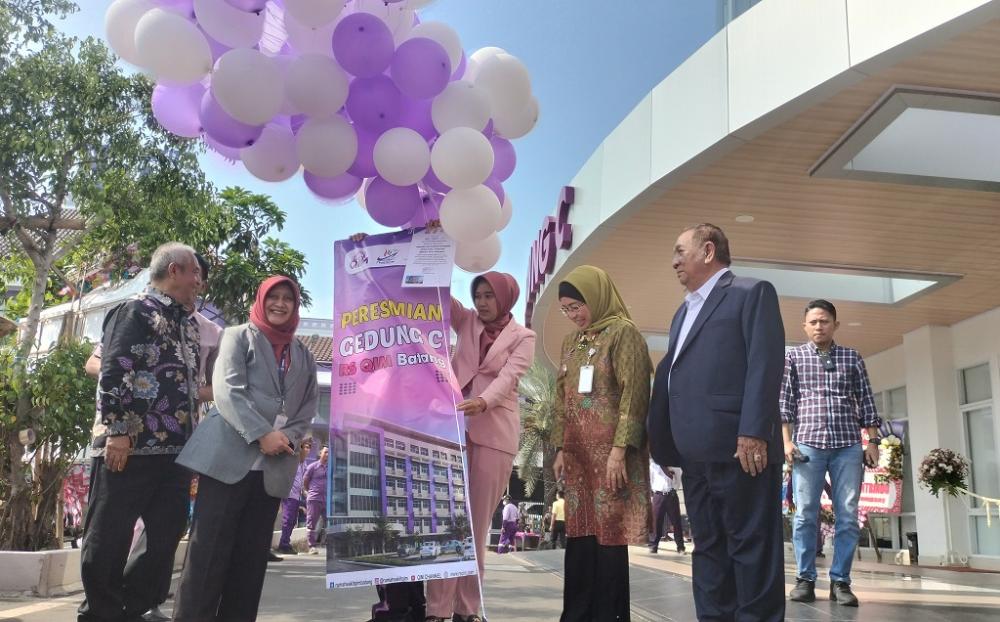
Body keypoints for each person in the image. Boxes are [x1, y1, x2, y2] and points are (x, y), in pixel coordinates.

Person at [648, 224, 786, 622]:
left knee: (751, 550)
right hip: (695, 456)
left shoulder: (750, 293)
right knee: (708, 549)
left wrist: (753, 431)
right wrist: (664, 442)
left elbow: (764, 364)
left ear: (708, 251)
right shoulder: (682, 312)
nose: (674, 261)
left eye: (680, 251)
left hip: (742, 450)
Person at [172, 275, 318, 621]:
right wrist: (262, 434)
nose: (280, 304)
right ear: (261, 300)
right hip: (227, 463)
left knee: (250, 564)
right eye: (273, 297)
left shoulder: (304, 355)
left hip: (272, 471)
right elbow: (227, 391)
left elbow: (307, 408)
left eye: (287, 299)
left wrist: (288, 437)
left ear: (295, 306)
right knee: (207, 557)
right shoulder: (237, 336)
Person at [78, 242, 203, 622]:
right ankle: (100, 613)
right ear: (175, 270)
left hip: (177, 451)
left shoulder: (189, 324)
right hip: (128, 445)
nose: (199, 282)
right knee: (109, 535)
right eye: (196, 273)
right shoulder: (135, 310)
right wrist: (117, 431)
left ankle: (132, 607)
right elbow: (114, 369)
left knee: (166, 536)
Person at [424, 270, 535, 622]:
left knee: (476, 525)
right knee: (448, 520)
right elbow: (438, 296)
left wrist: (484, 401)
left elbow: (509, 377)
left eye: (490, 296)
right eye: (478, 295)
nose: (482, 303)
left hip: (496, 436)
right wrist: (425, 248)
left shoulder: (524, 337)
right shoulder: (466, 320)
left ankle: (467, 608)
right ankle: (436, 610)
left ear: (505, 298)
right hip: (451, 429)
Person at [551, 265, 652, 622]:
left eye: (577, 306)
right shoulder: (571, 342)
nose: (573, 315)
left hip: (611, 458)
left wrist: (619, 451)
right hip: (578, 458)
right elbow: (561, 399)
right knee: (579, 537)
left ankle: (610, 616)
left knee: (609, 537)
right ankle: (577, 615)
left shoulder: (624, 334)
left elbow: (634, 394)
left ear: (596, 297)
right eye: (566, 309)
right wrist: (560, 448)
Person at [781, 299, 881, 607]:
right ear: (804, 326)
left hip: (847, 445)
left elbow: (866, 400)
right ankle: (805, 579)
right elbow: (784, 402)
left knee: (848, 515)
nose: (818, 327)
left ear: (835, 325)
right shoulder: (793, 357)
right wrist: (786, 442)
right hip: (807, 446)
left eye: (824, 321)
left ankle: (841, 582)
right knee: (805, 514)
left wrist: (873, 442)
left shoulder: (852, 357)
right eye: (813, 322)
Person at [276, 437, 314, 555]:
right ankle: (283, 545)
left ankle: (285, 543)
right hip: (288, 494)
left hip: (296, 496)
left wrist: (306, 493)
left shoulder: (304, 464)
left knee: (292, 521)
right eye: (305, 447)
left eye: (309, 447)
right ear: (300, 448)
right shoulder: (293, 460)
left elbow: (302, 483)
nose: (307, 450)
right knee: (288, 520)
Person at [648, 461, 685, 555]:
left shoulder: (676, 464)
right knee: (656, 521)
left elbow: (678, 479)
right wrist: (654, 493)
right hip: (658, 495)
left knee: (676, 522)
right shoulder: (654, 465)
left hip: (671, 495)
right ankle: (653, 546)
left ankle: (680, 547)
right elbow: (651, 479)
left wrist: (674, 489)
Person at [302, 445, 329, 555]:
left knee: (329, 523)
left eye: (329, 453)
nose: (327, 454)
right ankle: (311, 546)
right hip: (314, 498)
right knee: (311, 523)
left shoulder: (330, 468)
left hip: (327, 500)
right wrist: (309, 492)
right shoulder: (312, 467)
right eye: (326, 452)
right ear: (320, 453)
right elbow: (305, 481)